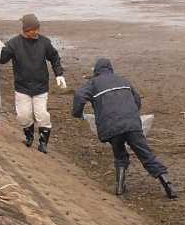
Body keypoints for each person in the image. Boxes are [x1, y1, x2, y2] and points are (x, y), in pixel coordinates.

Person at [72, 58, 177, 199]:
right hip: (132, 124)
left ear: (96, 71)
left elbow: (79, 95)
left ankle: (120, 187)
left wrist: (78, 114)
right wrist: (132, 114)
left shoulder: (93, 83)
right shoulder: (123, 80)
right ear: (110, 69)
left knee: (119, 153)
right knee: (146, 155)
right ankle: (168, 184)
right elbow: (137, 99)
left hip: (111, 127)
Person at [0, 14, 65, 154]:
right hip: (22, 87)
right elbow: (3, 60)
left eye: (37, 29)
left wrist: (59, 74)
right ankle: (29, 135)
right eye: (33, 30)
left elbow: (54, 57)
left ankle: (43, 143)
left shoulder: (44, 42)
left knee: (42, 115)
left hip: (41, 87)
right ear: (25, 30)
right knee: (23, 115)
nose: (36, 32)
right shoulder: (14, 43)